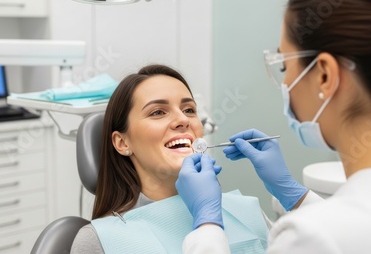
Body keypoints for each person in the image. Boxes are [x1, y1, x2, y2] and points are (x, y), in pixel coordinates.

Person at [176, 0, 371, 253]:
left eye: (285, 66)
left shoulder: (311, 237)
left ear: (324, 76)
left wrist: (207, 226)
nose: (285, 83)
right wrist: (297, 197)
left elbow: (345, 233)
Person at [71, 65, 269, 254]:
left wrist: (294, 198)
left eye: (189, 110)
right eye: (157, 112)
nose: (183, 120)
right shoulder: (100, 241)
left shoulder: (248, 212)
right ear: (122, 143)